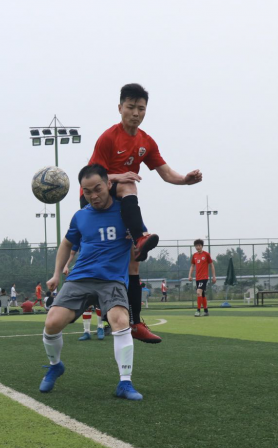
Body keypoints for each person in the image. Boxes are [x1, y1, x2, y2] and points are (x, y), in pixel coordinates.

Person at [85, 83, 202, 344]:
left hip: (122, 202)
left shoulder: (146, 141)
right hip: (96, 198)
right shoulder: (108, 138)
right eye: (131, 107)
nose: (136, 113)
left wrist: (185, 180)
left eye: (141, 108)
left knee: (134, 262)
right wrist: (119, 176)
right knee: (128, 184)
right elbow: (92, 178)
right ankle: (138, 240)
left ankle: (135, 322)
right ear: (120, 108)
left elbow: (166, 172)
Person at [39, 164, 144, 401]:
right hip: (80, 277)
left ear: (108, 184)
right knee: (52, 322)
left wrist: (137, 251)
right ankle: (55, 365)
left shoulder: (125, 212)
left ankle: (125, 383)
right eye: (87, 192)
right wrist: (56, 274)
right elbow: (67, 243)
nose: (93, 196)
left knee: (120, 321)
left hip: (112, 280)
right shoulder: (81, 216)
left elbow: (140, 241)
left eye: (98, 189)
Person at [188, 239, 217, 317]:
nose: (197, 247)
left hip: (204, 277)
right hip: (197, 278)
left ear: (202, 246)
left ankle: (198, 311)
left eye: (199, 245)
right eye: (196, 246)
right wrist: (190, 275)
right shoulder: (194, 255)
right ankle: (206, 311)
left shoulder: (206, 254)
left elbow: (211, 265)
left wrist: (214, 276)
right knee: (202, 294)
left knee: (198, 292)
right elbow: (192, 266)